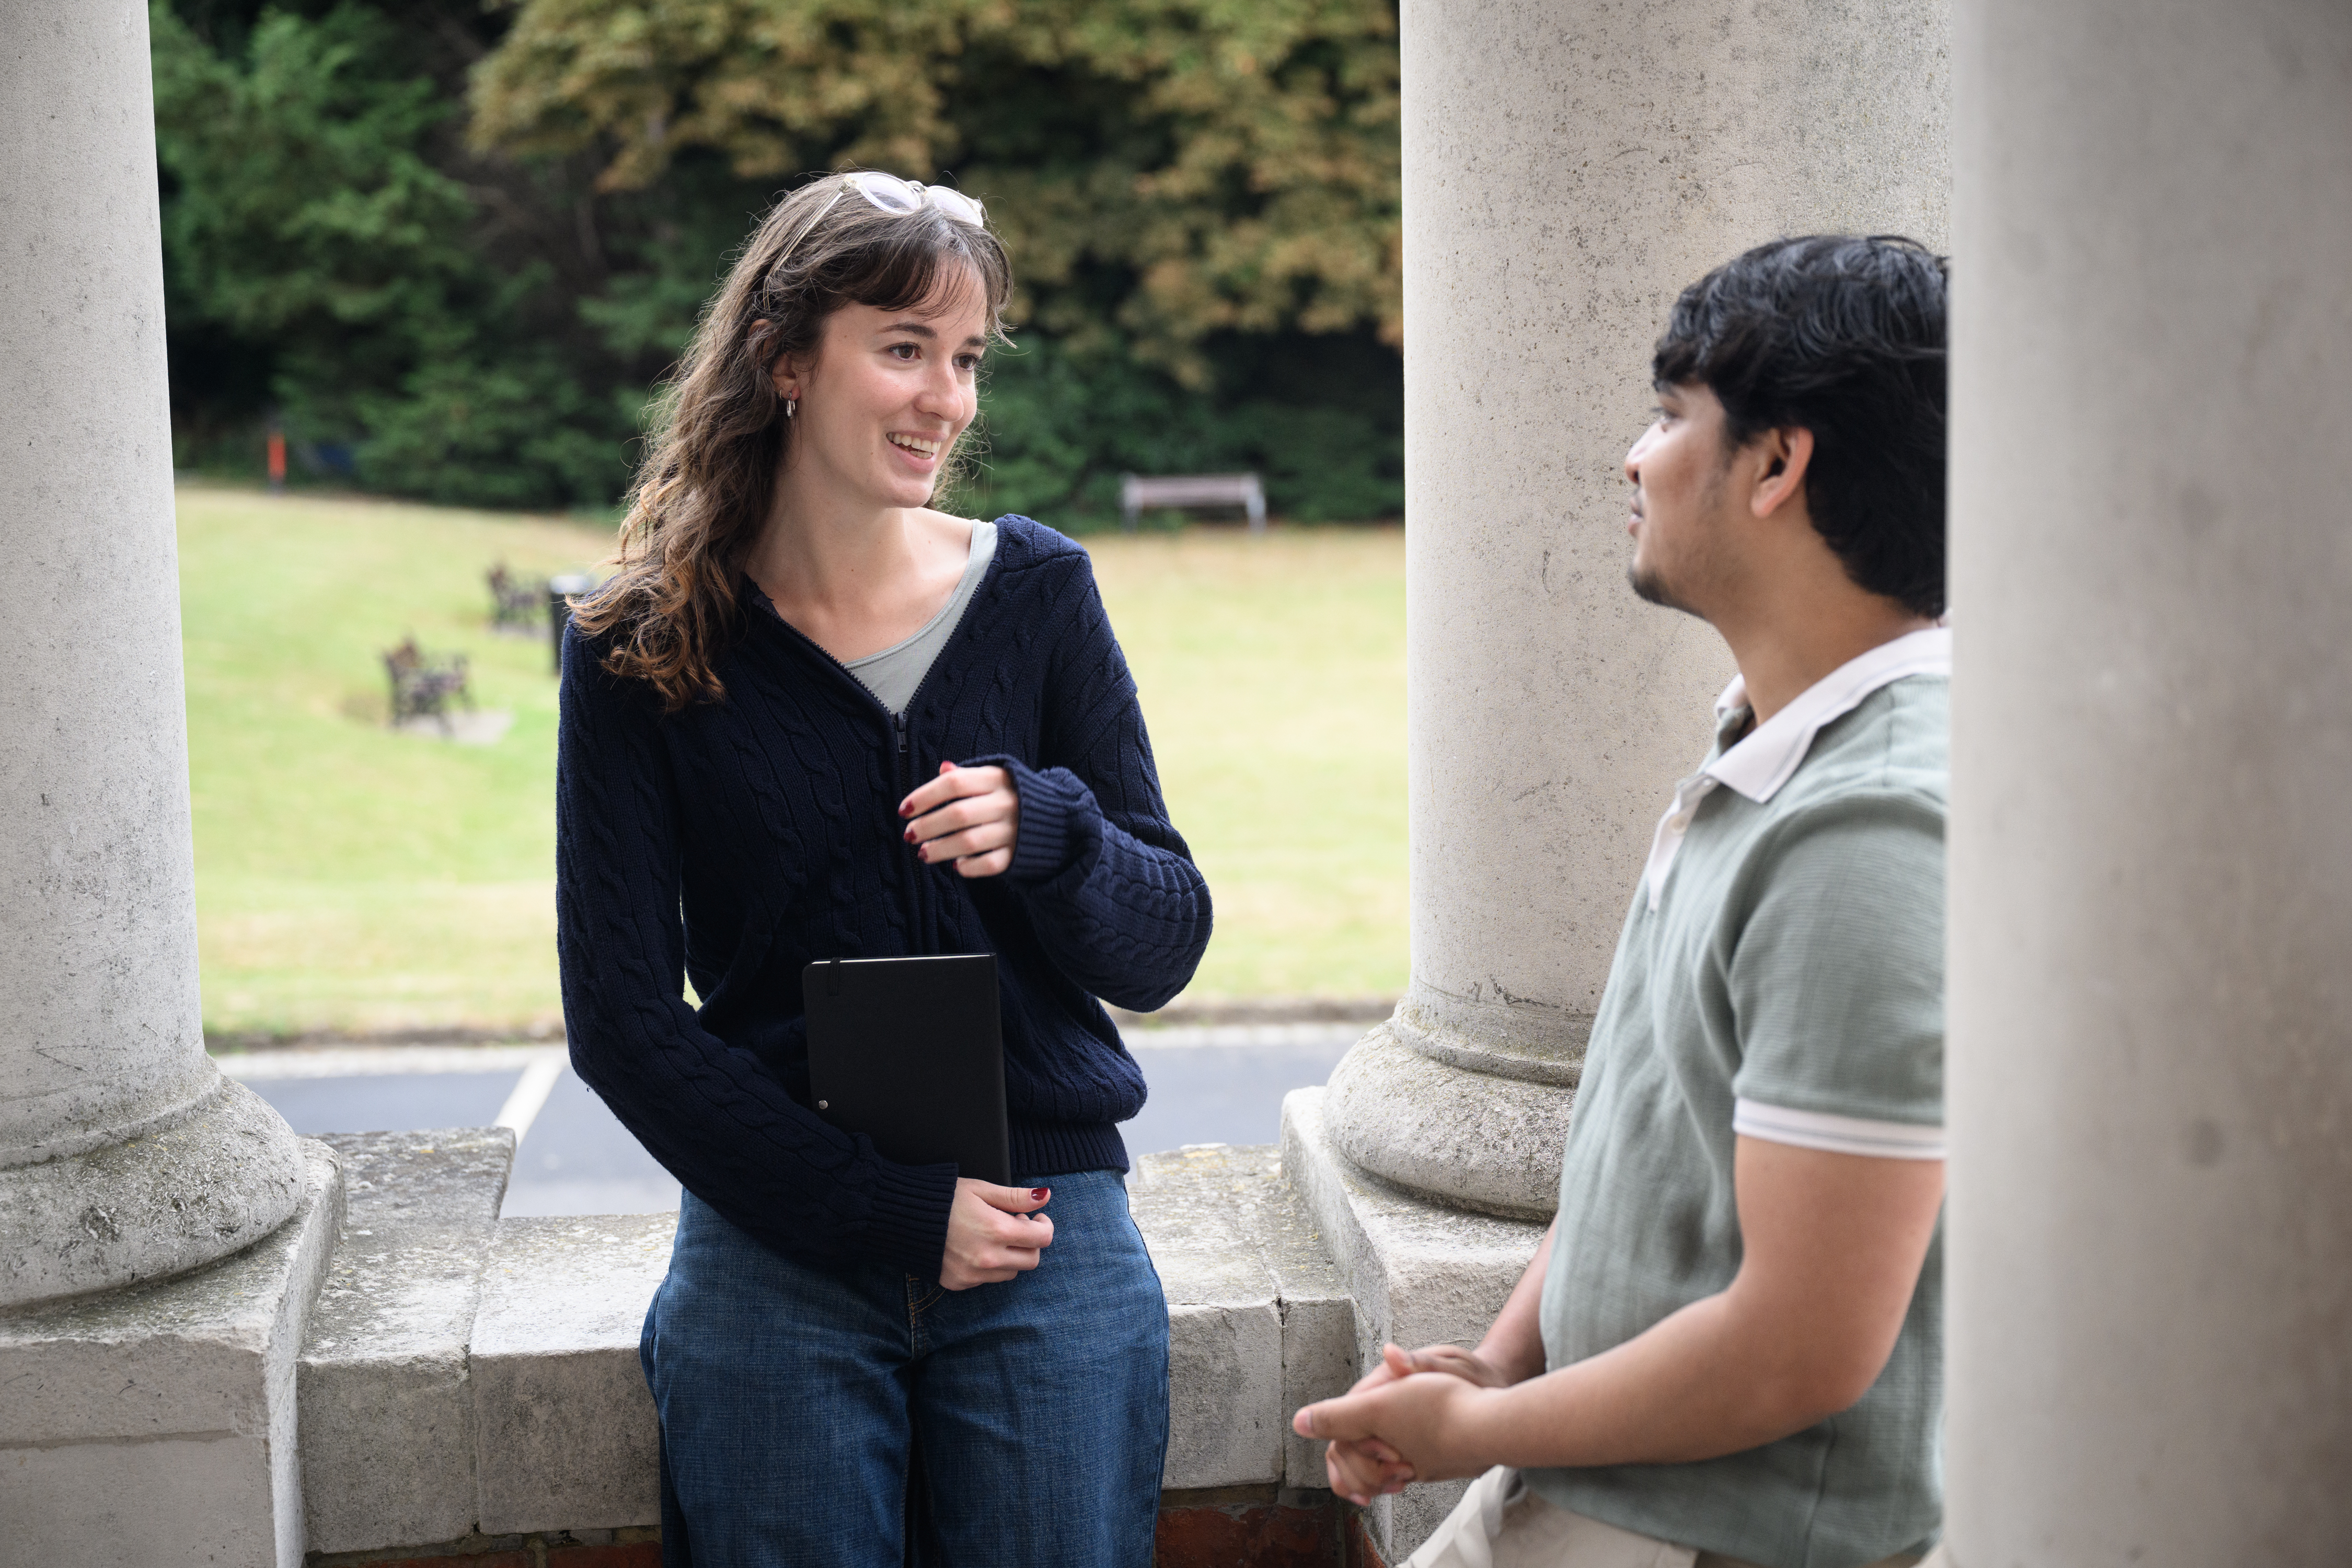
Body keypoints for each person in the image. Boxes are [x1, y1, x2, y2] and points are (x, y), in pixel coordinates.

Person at [554, 170, 1212, 1567]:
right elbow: (618, 1021)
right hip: (779, 1242)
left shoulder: (1036, 593)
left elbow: (1164, 945)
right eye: (904, 349)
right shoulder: (638, 644)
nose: (949, 400)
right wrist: (881, 1211)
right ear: (785, 359)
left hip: (1047, 1227)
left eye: (965, 358)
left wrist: (1054, 835)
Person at [1293, 235, 1952, 1568]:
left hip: (1702, 1537)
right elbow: (1648, 1152)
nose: (1633, 460)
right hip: (1590, 1482)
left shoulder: (1871, 832)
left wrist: (1475, 1430)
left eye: (1670, 417)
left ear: (1779, 464)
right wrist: (1493, 1369)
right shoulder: (1777, 747)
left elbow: (1799, 1350)